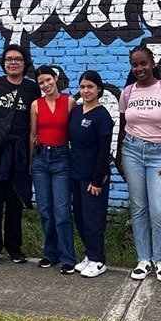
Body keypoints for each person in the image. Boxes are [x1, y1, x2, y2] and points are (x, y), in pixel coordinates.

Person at [116, 45, 161, 283]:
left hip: (160, 153)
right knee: (139, 208)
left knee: (160, 210)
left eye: (143, 63)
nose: (139, 68)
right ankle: (143, 259)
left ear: (152, 63)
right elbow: (124, 127)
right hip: (132, 152)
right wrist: (119, 156)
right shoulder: (127, 93)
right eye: (135, 64)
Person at [0, 44, 41, 266]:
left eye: (17, 59)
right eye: (8, 59)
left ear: (25, 64)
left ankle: (14, 247)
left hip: (19, 152)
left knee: (15, 201)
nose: (12, 62)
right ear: (3, 63)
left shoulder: (32, 89)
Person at [29, 65, 76, 274]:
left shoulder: (70, 102)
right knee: (45, 210)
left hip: (61, 159)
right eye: (41, 83)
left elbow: (74, 134)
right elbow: (33, 134)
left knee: (62, 211)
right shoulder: (36, 105)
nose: (46, 85)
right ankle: (50, 253)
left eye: (48, 80)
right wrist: (31, 163)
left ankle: (68, 257)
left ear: (55, 78)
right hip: (40, 160)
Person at [69, 71, 114, 278]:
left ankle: (99, 260)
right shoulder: (77, 111)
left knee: (93, 219)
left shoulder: (102, 115)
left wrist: (98, 178)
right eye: (82, 87)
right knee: (79, 217)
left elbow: (104, 150)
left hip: (94, 177)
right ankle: (89, 254)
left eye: (90, 87)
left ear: (98, 90)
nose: (85, 91)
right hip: (76, 174)